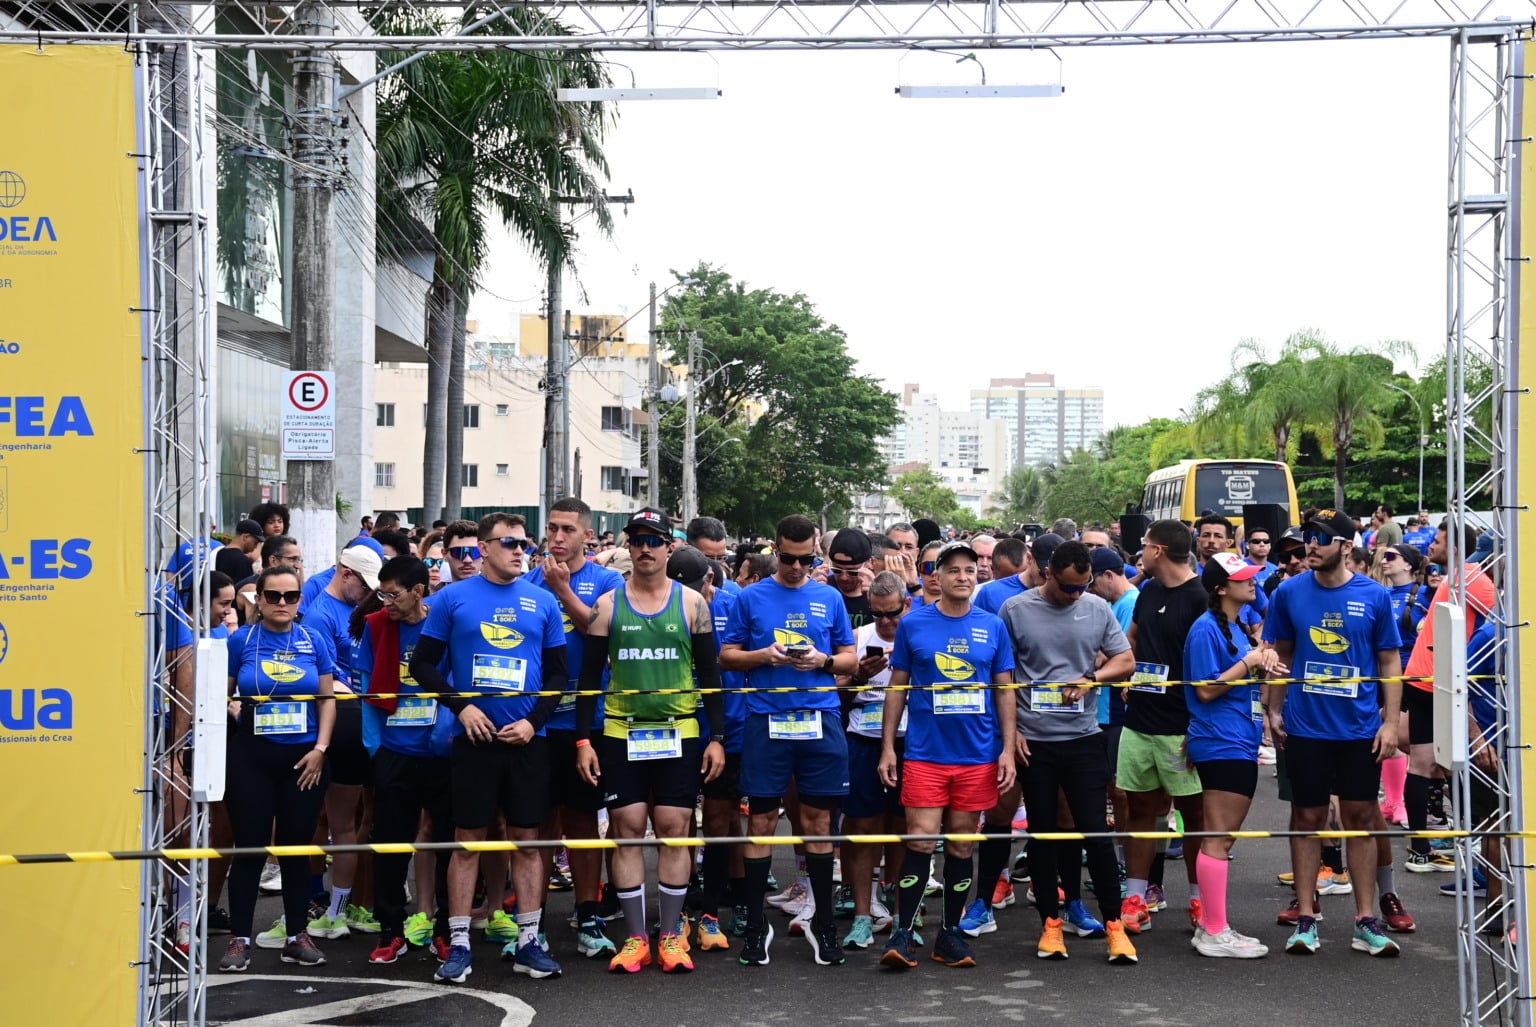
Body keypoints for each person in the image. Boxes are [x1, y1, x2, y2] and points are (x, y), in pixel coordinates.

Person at [408, 512, 569, 985]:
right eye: (509, 543)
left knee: (526, 841)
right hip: (473, 740)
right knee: (467, 840)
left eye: (524, 543)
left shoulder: (542, 601)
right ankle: (458, 945)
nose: (521, 551)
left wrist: (532, 722)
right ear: (483, 548)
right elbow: (423, 665)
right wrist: (463, 709)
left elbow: (559, 675)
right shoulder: (453, 599)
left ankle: (528, 942)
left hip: (526, 740)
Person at [574, 513, 726, 974]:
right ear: (629, 546)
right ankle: (637, 937)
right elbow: (587, 681)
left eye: (654, 542)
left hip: (679, 730)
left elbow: (711, 677)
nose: (646, 549)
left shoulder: (692, 604)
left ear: (668, 549)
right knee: (626, 826)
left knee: (675, 826)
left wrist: (716, 737)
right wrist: (584, 739)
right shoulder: (606, 605)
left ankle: (673, 934)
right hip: (623, 732)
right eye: (638, 541)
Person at [1264, 508, 1404, 957]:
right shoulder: (1288, 592)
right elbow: (1281, 653)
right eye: (1308, 536)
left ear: (1346, 546)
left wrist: (1389, 722)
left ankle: (1366, 920)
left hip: (1360, 729)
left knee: (1361, 820)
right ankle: (1307, 918)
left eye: (1322, 537)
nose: (1312, 544)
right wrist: (1273, 710)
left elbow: (1389, 663)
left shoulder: (1374, 596)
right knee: (1307, 819)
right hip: (1306, 727)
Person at [720, 514, 856, 968]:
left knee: (818, 822)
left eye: (805, 560)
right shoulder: (751, 597)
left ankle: (822, 924)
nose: (796, 567)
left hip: (820, 721)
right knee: (760, 823)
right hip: (766, 722)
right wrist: (763, 655)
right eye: (787, 558)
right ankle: (757, 926)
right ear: (774, 551)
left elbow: (851, 660)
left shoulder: (830, 596)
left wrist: (823, 661)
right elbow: (727, 655)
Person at [877, 540, 1016, 970]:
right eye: (952, 569)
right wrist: (887, 747)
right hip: (924, 754)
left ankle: (950, 934)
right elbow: (896, 687)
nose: (961, 576)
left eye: (969, 570)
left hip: (976, 755)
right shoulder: (914, 624)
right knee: (919, 840)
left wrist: (1008, 749)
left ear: (978, 576)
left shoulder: (993, 626)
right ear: (936, 575)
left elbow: (1005, 691)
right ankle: (905, 931)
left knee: (960, 845)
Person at [998, 540, 1139, 965]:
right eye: (1068, 588)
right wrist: (1013, 732)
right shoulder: (1015, 610)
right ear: (1047, 575)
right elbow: (1001, 675)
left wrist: (1092, 676)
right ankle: (1051, 925)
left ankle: (1114, 926)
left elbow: (1126, 660)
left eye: (1083, 586)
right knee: (1042, 832)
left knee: (1094, 831)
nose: (1076, 594)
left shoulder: (1097, 608)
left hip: (1083, 738)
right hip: (1035, 741)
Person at [218, 564, 336, 972]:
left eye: (290, 596)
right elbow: (222, 693)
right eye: (273, 596)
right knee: (249, 848)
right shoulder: (241, 640)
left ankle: (296, 935)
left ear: (300, 600)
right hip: (250, 758)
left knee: (296, 849)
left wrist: (321, 748)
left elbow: (327, 698)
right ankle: (240, 939)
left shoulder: (314, 639)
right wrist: (234, 708)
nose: (282, 603)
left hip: (304, 760)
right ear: (259, 599)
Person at [523, 497, 626, 960]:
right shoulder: (528, 580)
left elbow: (608, 634)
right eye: (552, 528)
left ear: (588, 534)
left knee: (584, 820)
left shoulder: (605, 581)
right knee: (540, 821)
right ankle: (533, 919)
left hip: (590, 720)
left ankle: (588, 914)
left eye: (567, 529)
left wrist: (564, 593)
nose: (557, 538)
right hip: (540, 721)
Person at [1183, 554, 1287, 958]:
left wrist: (1262, 663)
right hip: (1221, 740)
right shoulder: (1206, 629)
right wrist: (1249, 662)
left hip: (1234, 738)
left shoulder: (1235, 625)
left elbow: (1232, 678)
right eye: (1243, 579)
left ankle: (1212, 926)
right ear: (1220, 589)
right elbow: (1206, 689)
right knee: (1218, 837)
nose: (1252, 583)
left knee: (1220, 836)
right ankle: (1213, 929)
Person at [357, 556, 455, 966]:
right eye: (381, 593)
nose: (386, 602)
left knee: (449, 845)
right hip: (394, 752)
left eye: (393, 594)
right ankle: (390, 929)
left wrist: (446, 733)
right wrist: (375, 745)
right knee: (390, 844)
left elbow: (457, 681)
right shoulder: (377, 626)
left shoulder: (444, 623)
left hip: (442, 751)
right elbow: (366, 683)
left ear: (419, 591)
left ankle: (447, 929)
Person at [1119, 518, 1208, 933]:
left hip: (1182, 726)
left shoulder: (1201, 596)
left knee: (1194, 817)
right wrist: (1132, 678)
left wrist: (1199, 726)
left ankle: (1199, 898)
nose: (1140, 551)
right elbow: (1133, 640)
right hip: (1139, 723)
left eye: (1144, 545)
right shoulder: (1148, 590)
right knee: (1140, 810)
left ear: (1157, 550)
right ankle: (1135, 897)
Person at [1401, 518, 1494, 872]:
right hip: (1440, 680)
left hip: (1426, 677)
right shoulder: (1471, 577)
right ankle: (1470, 850)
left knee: (1425, 764)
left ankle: (1422, 850)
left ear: (1454, 547)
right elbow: (1506, 622)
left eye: (1437, 541)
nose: (1430, 547)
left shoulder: (1461, 576)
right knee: (1455, 765)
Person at [837, 571, 908, 949]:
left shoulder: (916, 636)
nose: (885, 622)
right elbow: (837, 696)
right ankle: (863, 915)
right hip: (863, 741)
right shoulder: (860, 639)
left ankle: (899, 914)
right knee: (863, 829)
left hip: (909, 741)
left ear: (906, 605)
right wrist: (859, 678)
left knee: (901, 829)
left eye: (892, 613)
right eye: (877, 614)